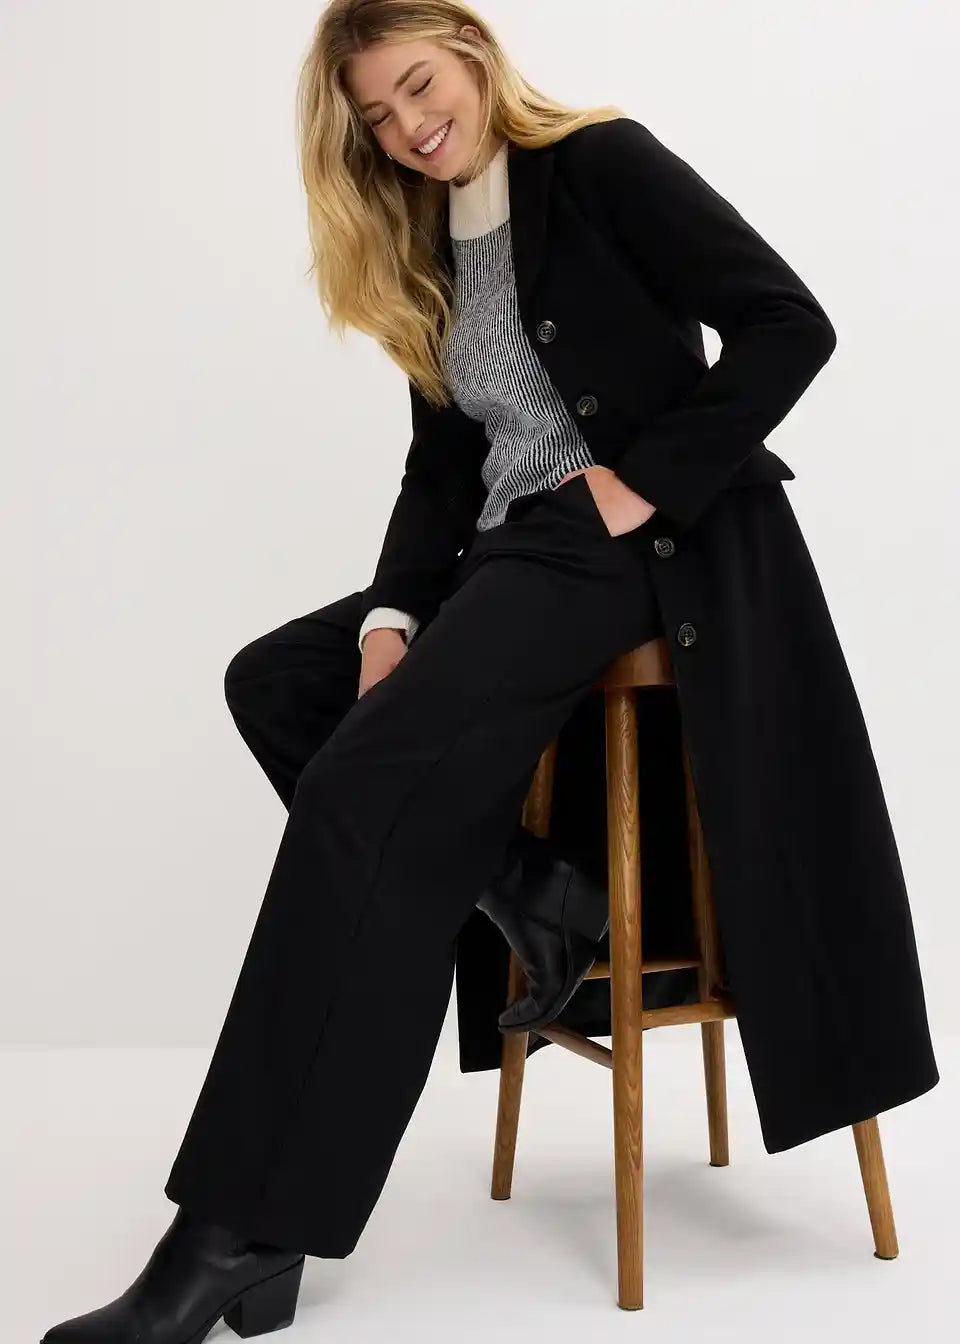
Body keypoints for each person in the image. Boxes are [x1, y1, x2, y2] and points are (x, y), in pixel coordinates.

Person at [41, 1, 939, 1340]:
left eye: (419, 86)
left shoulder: (602, 162)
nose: (411, 127)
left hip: (628, 549)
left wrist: (639, 485)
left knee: (358, 794)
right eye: (379, 117)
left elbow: (786, 322)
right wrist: (391, 615)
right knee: (280, 685)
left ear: (468, 50)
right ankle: (529, 889)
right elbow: (443, 462)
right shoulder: (429, 239)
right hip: (513, 553)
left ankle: (235, 1232)